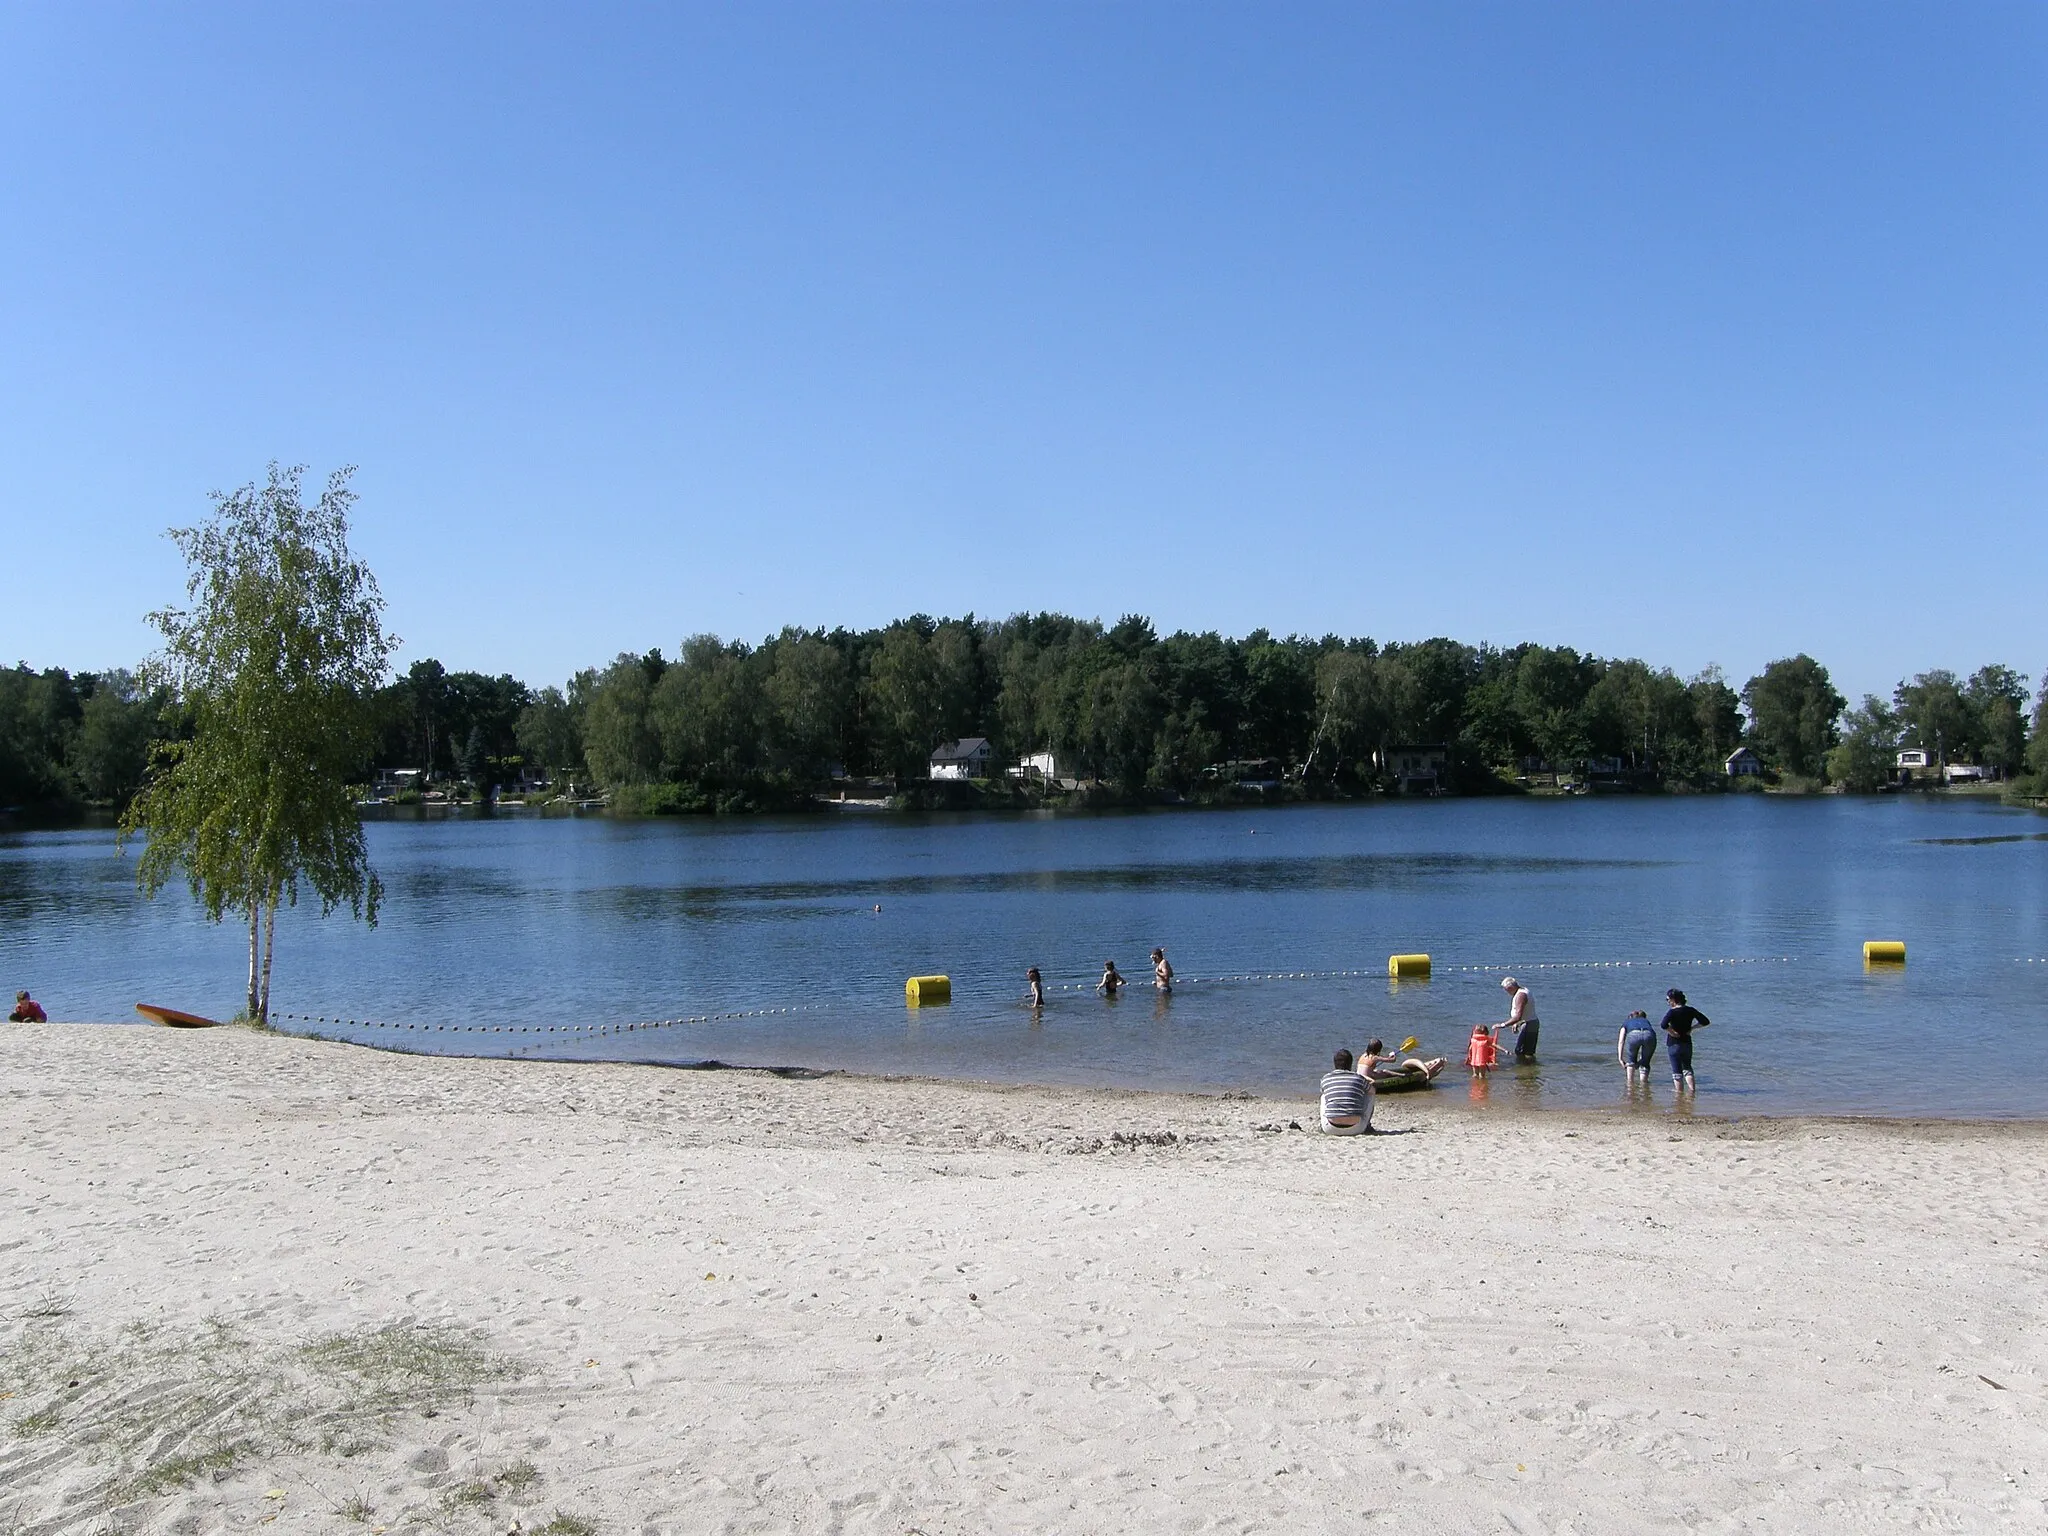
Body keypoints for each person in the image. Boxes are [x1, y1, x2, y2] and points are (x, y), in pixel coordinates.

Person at [1660, 988, 1711, 1091]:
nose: (1668, 1002)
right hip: (1687, 1042)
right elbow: (1705, 1021)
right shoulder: (1690, 1010)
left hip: (1674, 1043)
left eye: (1668, 999)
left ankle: (1679, 1095)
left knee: (1677, 1071)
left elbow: (1663, 1025)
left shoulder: (1672, 1012)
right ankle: (1692, 1091)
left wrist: (1672, 1033)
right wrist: (1692, 1028)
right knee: (1687, 1068)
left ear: (1673, 1000)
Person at [1319, 1048, 1374, 1135]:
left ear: (1335, 1063)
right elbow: (1372, 1091)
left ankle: (1322, 1124)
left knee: (1323, 1096)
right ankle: (1368, 1125)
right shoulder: (1358, 1078)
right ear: (1351, 1064)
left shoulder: (1326, 1078)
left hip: (1330, 1129)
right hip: (1357, 1128)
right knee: (1369, 1093)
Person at [1498, 976, 1539, 1060]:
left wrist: (1502, 1025)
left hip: (1529, 1025)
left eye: (1507, 990)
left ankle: (1526, 1070)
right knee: (1526, 1051)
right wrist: (1517, 1023)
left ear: (1511, 988)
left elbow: (1518, 1016)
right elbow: (1524, 1013)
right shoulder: (1522, 990)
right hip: (1528, 1023)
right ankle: (1529, 1070)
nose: (1507, 992)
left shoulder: (1521, 995)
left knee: (1521, 1051)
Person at [1618, 1010, 1657, 1079]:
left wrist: (1620, 1058)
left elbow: (1621, 1041)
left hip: (1634, 1034)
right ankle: (1644, 1084)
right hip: (1649, 1035)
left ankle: (1630, 1084)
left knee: (1631, 1060)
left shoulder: (1627, 1022)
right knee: (1645, 1062)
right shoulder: (1645, 1021)